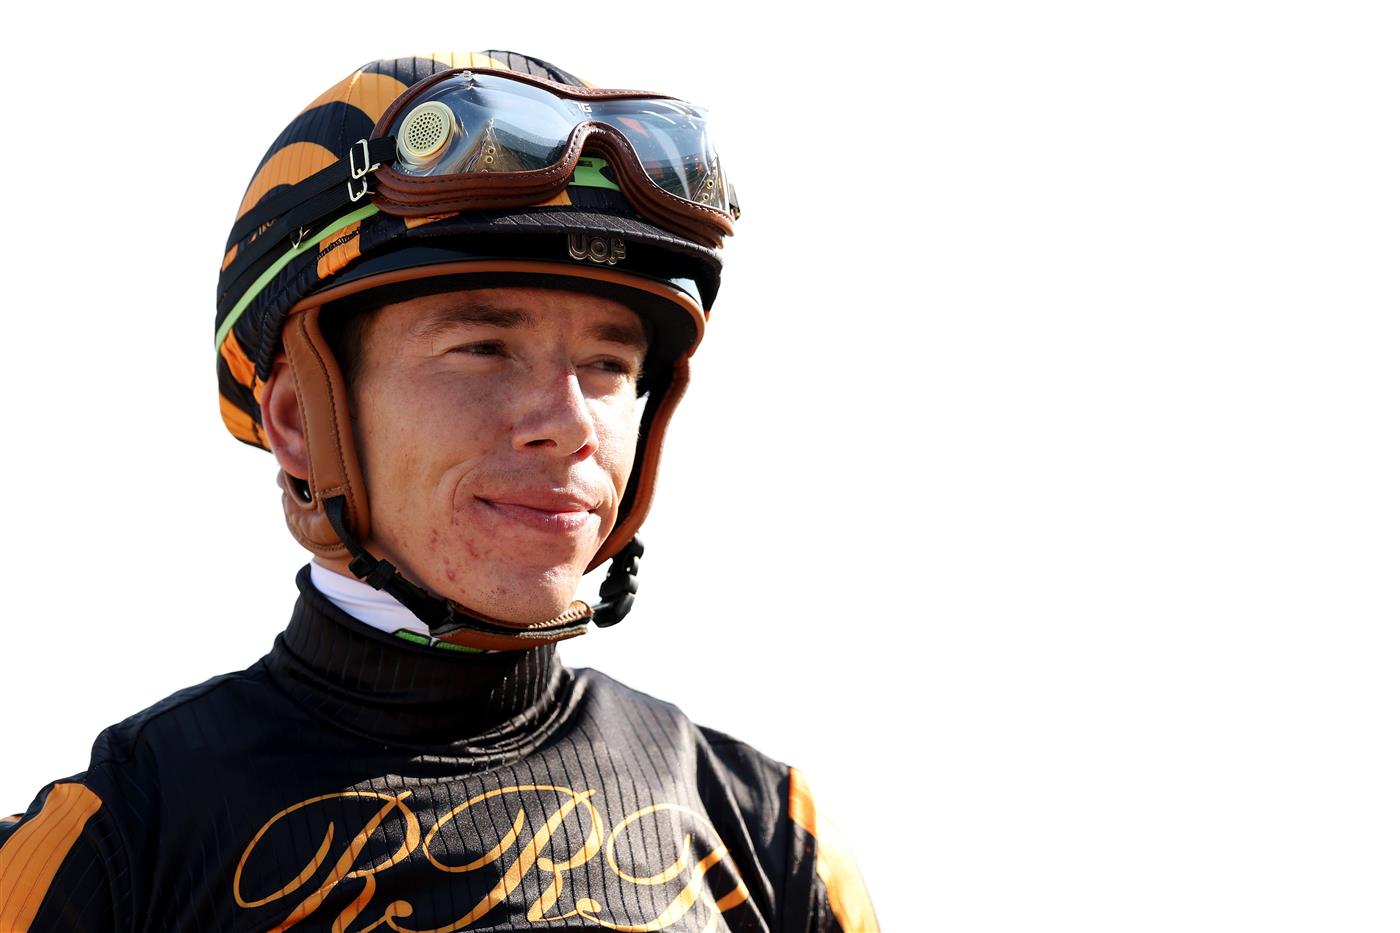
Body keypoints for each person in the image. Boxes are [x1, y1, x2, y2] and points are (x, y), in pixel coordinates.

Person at [0, 50, 878, 932]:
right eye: (484, 349)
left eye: (609, 364)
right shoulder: (114, 845)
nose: (568, 423)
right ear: (300, 418)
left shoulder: (777, 842)